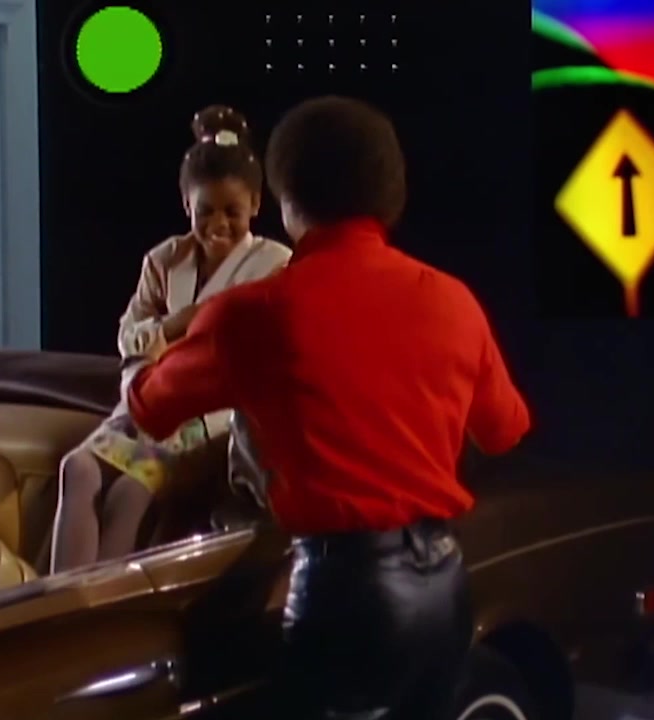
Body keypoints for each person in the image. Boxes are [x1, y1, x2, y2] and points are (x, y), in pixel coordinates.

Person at [120, 96, 531, 719]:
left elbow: (149, 409)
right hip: (445, 585)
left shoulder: (255, 312)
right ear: (391, 192)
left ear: (285, 199)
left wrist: (147, 350)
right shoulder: (454, 300)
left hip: (346, 593)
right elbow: (503, 431)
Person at [50, 105, 292, 573]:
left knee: (131, 490)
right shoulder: (164, 259)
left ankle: (105, 610)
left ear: (256, 205)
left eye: (232, 212)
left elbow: (249, 354)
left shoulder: (274, 264)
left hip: (212, 418)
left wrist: (165, 340)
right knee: (75, 468)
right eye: (205, 211)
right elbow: (129, 336)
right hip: (147, 398)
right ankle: (57, 604)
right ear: (186, 205)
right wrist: (178, 323)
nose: (218, 224)